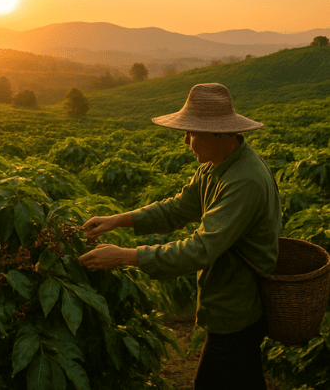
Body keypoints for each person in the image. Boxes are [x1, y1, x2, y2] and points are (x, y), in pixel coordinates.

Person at [78, 83, 281, 390]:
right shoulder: (215, 166)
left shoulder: (245, 181)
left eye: (191, 133)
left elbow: (200, 249)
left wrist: (123, 256)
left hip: (237, 310)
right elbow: (177, 208)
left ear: (219, 133)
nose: (186, 141)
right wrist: (118, 220)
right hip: (227, 302)